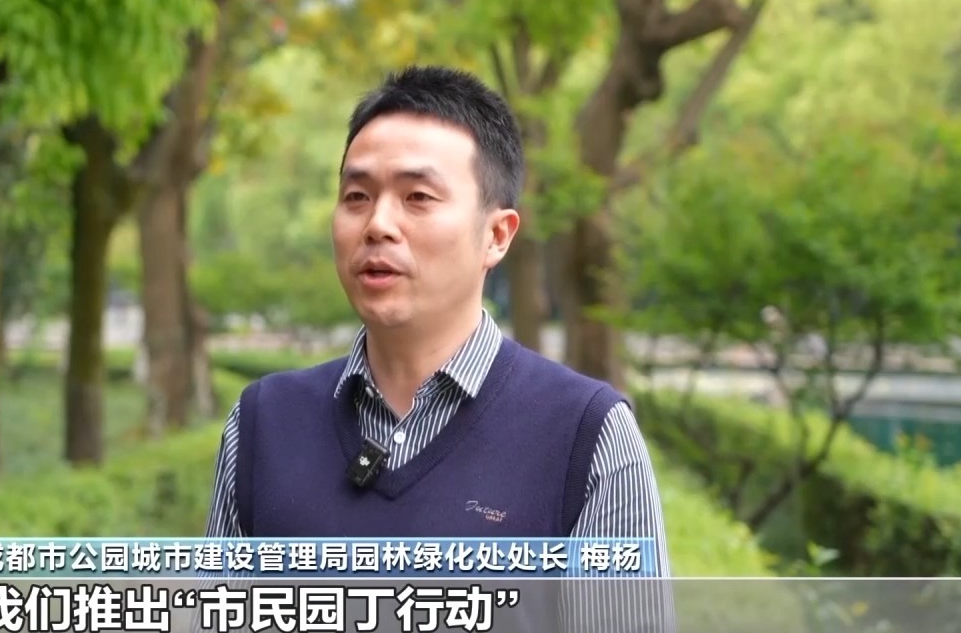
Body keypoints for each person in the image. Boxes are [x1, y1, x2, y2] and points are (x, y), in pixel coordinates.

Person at [201, 66, 673, 631]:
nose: (378, 224)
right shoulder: (264, 423)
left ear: (497, 235)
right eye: (357, 196)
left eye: (418, 197)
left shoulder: (587, 436)